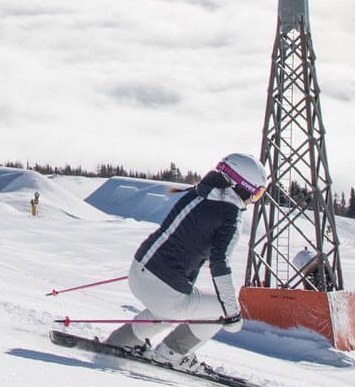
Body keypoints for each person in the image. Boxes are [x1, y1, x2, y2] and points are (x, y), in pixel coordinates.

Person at [102, 154, 269, 370]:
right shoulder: (230, 214)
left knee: (166, 310)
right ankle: (172, 353)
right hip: (165, 288)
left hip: (139, 271)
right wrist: (232, 314)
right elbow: (220, 264)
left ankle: (119, 342)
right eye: (256, 192)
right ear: (241, 186)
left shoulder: (197, 193)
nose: (253, 199)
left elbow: (190, 236)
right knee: (219, 308)